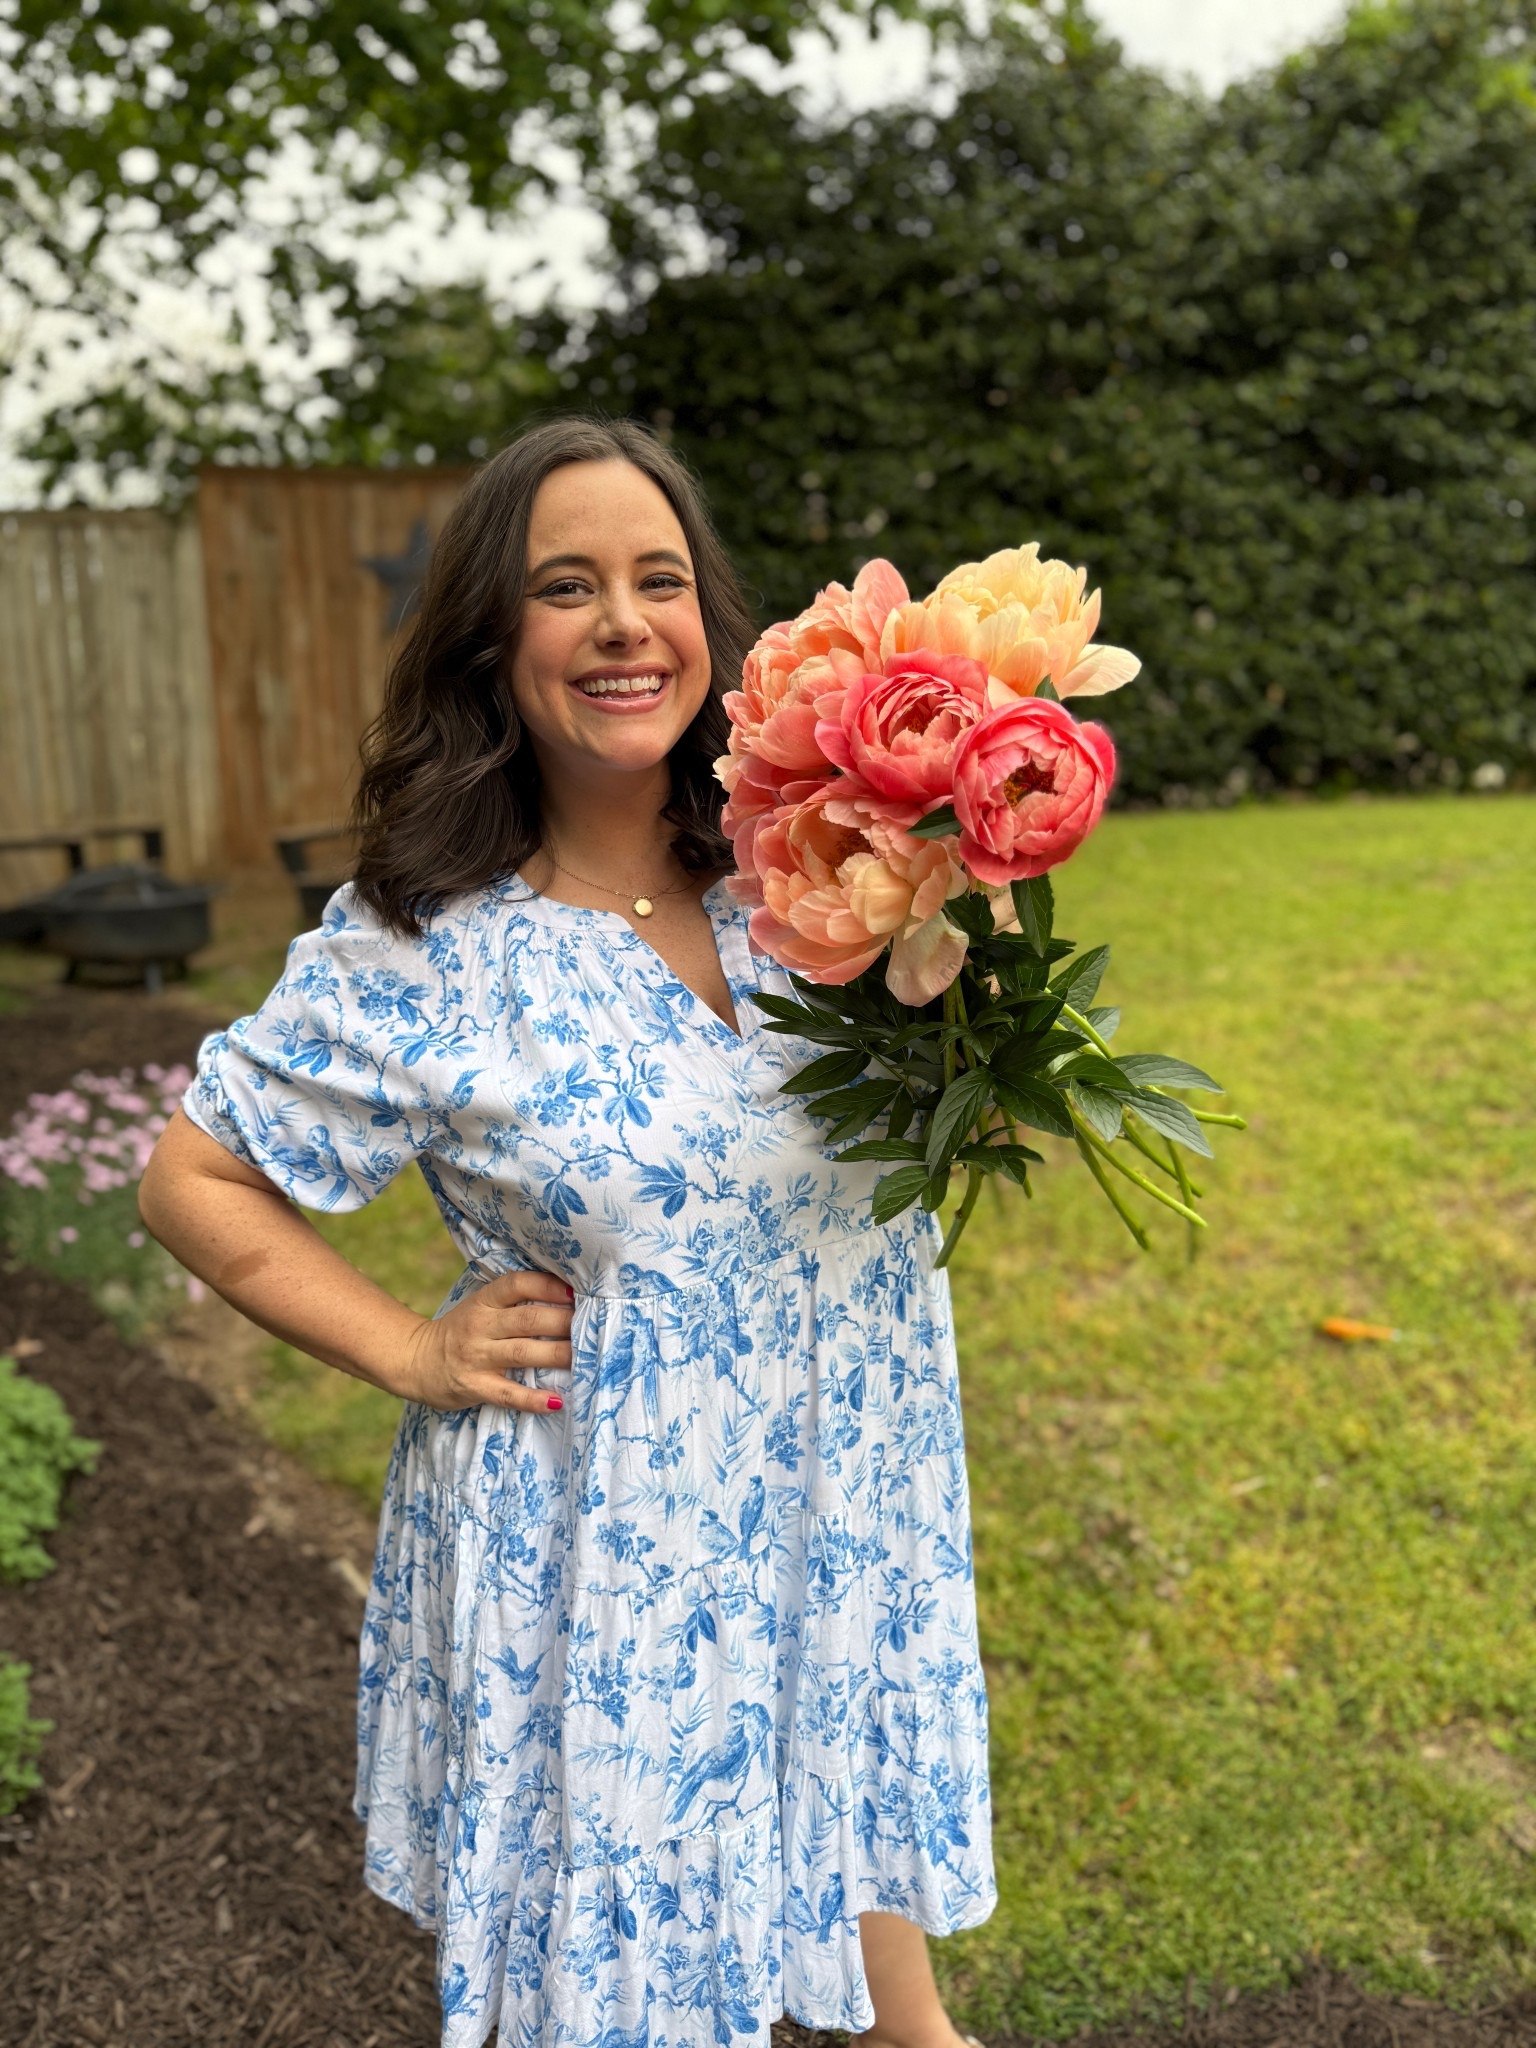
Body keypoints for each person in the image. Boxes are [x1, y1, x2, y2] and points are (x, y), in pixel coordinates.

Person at [138, 417, 997, 2048]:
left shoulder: (815, 881)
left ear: (711, 629)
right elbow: (192, 1175)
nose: (624, 622)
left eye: (659, 580)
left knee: (856, 1837)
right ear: (492, 639)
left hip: (840, 1496)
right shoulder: (429, 948)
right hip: (610, 1548)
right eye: (566, 586)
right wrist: (407, 1342)